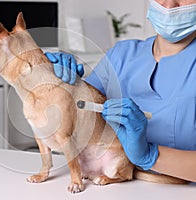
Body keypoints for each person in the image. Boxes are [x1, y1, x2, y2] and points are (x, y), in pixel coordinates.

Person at [45, 0, 196, 182]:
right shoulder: (121, 55)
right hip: (113, 185)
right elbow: (77, 111)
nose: (170, 5)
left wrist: (150, 156)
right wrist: (52, 79)